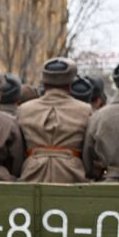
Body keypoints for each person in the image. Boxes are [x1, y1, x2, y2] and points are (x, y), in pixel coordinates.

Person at [16, 56, 92, 184]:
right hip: (72, 176)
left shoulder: (24, 109)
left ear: (44, 84)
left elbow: (19, 150)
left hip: (31, 174)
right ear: (70, 85)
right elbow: (88, 151)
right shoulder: (84, 110)